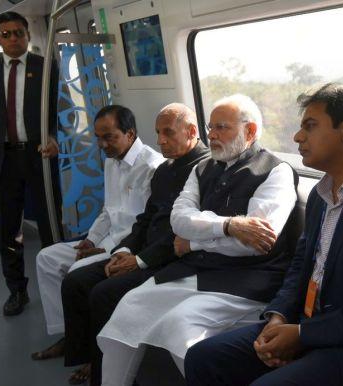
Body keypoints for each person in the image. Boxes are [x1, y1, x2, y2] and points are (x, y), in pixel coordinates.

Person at [184, 83, 343, 386]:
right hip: (306, 323)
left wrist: (302, 336)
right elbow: (301, 268)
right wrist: (277, 318)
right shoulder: (320, 194)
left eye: (310, 126)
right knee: (202, 357)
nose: (297, 137)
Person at [95, 94, 298, 385]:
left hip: (246, 280)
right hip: (197, 272)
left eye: (222, 128)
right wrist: (229, 225)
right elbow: (179, 219)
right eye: (210, 127)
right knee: (129, 308)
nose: (211, 135)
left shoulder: (275, 172)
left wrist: (193, 243)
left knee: (180, 326)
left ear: (250, 131)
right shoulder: (202, 168)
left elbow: (255, 243)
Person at [58, 103, 210, 385]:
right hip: (142, 252)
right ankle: (89, 358)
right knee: (76, 281)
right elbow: (147, 217)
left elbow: (180, 232)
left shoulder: (204, 169)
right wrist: (126, 250)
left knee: (102, 293)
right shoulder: (165, 170)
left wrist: (139, 260)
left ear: (192, 132)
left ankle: (105, 373)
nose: (160, 140)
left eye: (168, 133)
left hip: (170, 259)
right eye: (157, 133)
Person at [31, 105, 163, 363]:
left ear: (130, 133)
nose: (102, 144)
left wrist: (107, 249)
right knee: (46, 258)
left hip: (127, 247)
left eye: (109, 137)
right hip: (104, 240)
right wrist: (91, 239)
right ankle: (68, 335)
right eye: (98, 138)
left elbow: (146, 226)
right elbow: (108, 210)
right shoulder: (111, 162)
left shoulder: (152, 166)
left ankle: (91, 350)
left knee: (75, 274)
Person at [0, 11, 62, 316]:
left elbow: (56, 113)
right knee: (9, 230)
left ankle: (59, 287)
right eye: (6, 34)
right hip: (3, 160)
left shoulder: (45, 66)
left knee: (51, 225)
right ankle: (17, 291)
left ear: (28, 35)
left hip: (38, 155)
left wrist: (52, 136)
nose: (13, 38)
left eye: (18, 32)